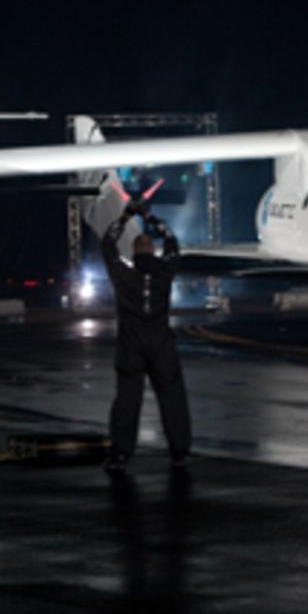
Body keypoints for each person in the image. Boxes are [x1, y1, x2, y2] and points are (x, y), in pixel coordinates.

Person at [101, 200, 191, 470]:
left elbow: (107, 245)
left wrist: (126, 216)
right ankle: (179, 451)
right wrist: (150, 217)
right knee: (173, 398)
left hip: (132, 344)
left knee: (127, 400)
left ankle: (121, 453)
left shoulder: (123, 275)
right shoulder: (165, 273)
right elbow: (173, 242)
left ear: (133, 253)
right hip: (161, 343)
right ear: (153, 251)